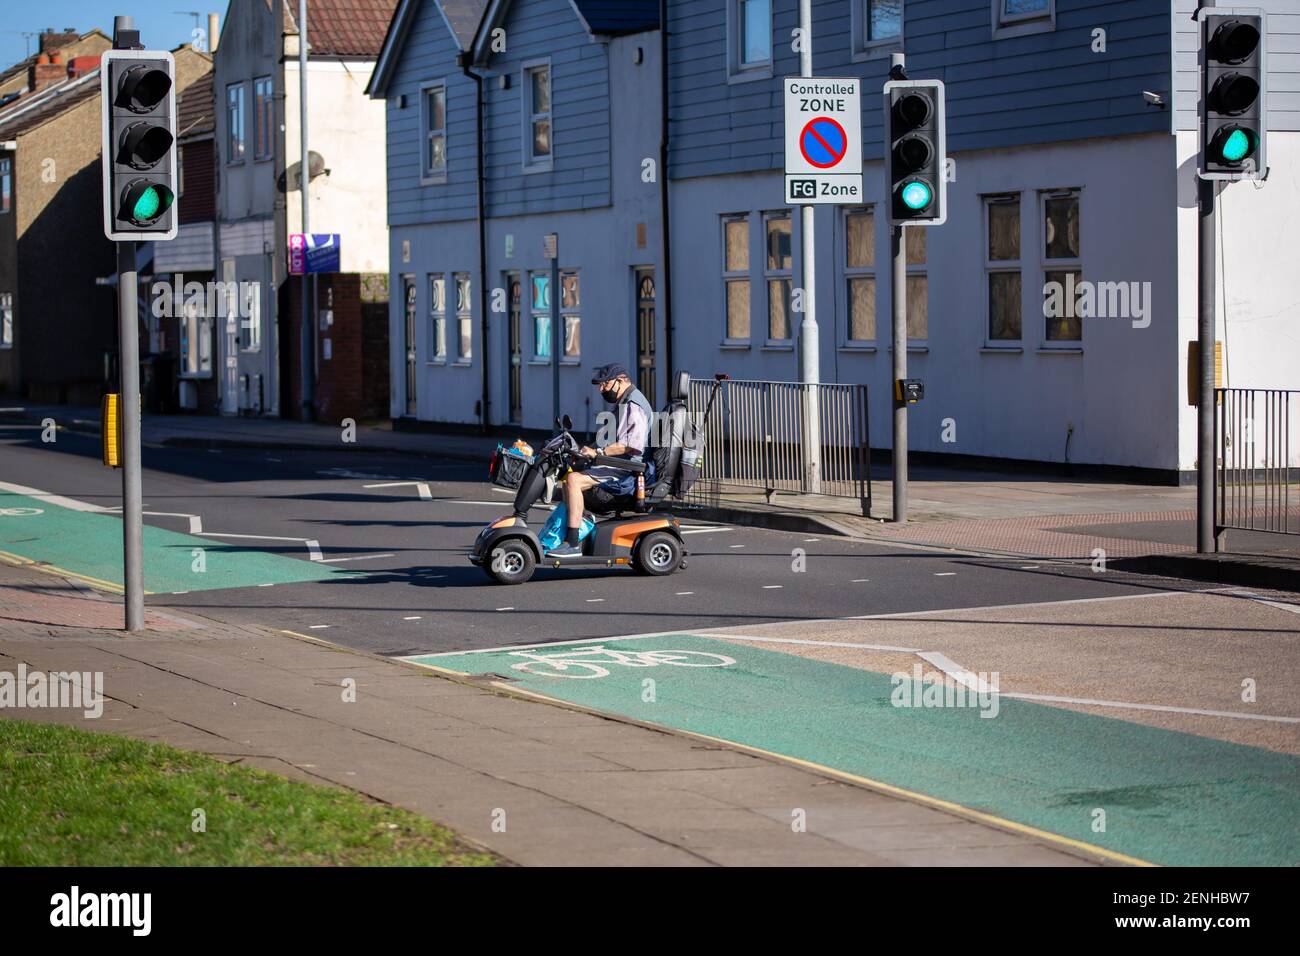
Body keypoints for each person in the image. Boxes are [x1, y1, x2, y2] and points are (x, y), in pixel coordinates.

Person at [547, 363, 653, 557]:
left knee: (573, 480)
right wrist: (587, 451)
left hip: (627, 469)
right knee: (570, 476)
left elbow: (631, 445)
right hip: (618, 464)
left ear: (620, 381)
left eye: (605, 384)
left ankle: (571, 543)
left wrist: (598, 453)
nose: (601, 389)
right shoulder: (624, 402)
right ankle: (578, 529)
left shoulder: (633, 405)